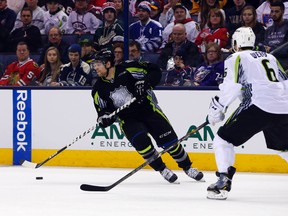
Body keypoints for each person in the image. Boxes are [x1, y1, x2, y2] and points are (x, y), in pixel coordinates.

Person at [91, 50, 204, 183]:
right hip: (128, 119)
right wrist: (104, 118)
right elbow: (103, 111)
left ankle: (187, 167)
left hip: (148, 110)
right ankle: (162, 169)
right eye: (95, 64)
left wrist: (146, 82)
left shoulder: (129, 68)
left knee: (171, 143)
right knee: (142, 144)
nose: (95, 67)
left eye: (98, 64)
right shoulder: (98, 89)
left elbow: (155, 70)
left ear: (108, 63)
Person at [206, 27, 288, 200]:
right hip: (284, 107)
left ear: (236, 43)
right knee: (284, 147)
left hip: (259, 105)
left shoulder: (235, 57)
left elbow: (232, 86)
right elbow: (285, 81)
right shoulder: (270, 57)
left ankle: (222, 182)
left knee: (223, 139)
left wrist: (217, 109)